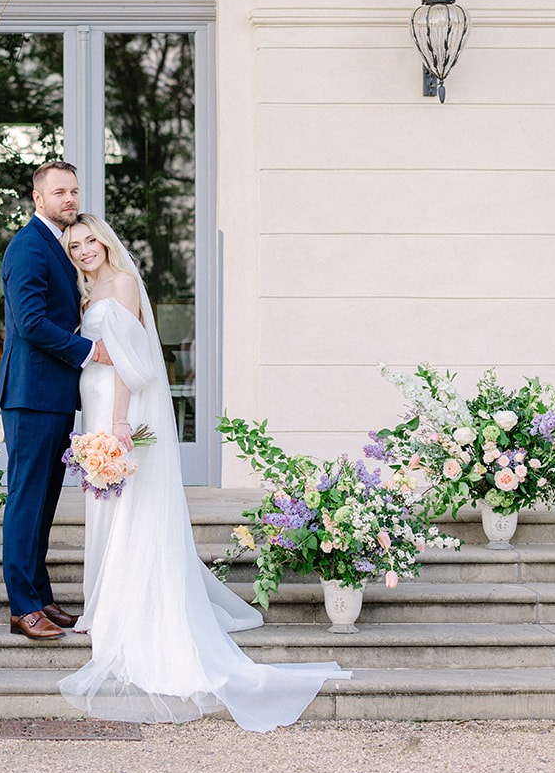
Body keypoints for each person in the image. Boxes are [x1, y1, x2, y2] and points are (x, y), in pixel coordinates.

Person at [59, 213, 344, 731]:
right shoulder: (89, 289)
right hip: (96, 403)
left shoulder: (121, 283)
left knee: (130, 509)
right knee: (108, 507)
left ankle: (121, 611)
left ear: (104, 241)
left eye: (88, 242)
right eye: (73, 245)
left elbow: (128, 359)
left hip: (118, 408)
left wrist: (119, 421)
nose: (82, 251)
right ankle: (102, 608)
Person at [0, 162, 113, 641]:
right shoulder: (28, 246)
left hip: (53, 395)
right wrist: (88, 350)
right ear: (37, 198)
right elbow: (30, 323)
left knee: (44, 503)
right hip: (31, 396)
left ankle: (40, 595)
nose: (70, 199)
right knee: (26, 501)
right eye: (59, 192)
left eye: (74, 191)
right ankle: (22, 607)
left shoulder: (59, 244)